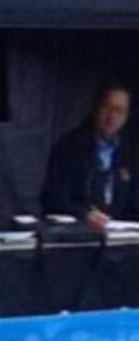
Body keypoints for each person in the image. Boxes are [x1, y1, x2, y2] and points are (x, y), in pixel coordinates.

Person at [42, 84, 137, 232]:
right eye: (107, 107)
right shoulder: (69, 146)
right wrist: (83, 214)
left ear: (126, 116)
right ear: (95, 108)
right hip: (76, 235)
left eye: (119, 111)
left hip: (118, 237)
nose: (111, 116)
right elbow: (52, 197)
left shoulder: (130, 152)